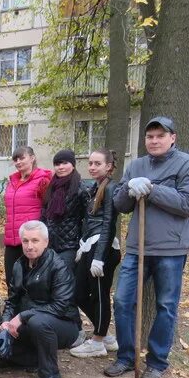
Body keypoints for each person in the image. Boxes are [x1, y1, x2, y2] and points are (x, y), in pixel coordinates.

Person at [105, 116, 189, 378]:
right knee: (123, 301)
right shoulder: (136, 165)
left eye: (161, 136)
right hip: (138, 248)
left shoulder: (187, 164)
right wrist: (129, 190)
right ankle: (126, 357)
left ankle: (157, 362)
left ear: (173, 138)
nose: (155, 140)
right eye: (150, 137)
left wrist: (152, 190)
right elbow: (121, 205)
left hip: (171, 248)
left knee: (165, 306)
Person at [0, 220, 77, 378]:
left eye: (35, 240)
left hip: (63, 325)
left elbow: (60, 306)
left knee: (38, 322)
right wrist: (5, 322)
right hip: (29, 323)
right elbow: (12, 300)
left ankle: (50, 373)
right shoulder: (19, 265)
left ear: (46, 242)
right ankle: (35, 359)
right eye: (25, 241)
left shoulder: (59, 266)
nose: (29, 246)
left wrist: (22, 316)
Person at [70, 149, 121, 358]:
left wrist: (99, 257)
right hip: (89, 246)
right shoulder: (93, 187)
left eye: (97, 163)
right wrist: (83, 246)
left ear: (108, 166)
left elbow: (109, 223)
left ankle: (98, 342)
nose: (92, 167)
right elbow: (88, 220)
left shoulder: (111, 188)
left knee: (100, 296)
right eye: (90, 163)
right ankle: (106, 335)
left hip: (104, 248)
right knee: (79, 294)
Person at [2, 146, 52, 286]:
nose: (18, 162)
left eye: (22, 158)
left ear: (32, 158)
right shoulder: (12, 182)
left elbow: (48, 209)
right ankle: (13, 308)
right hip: (12, 239)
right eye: (15, 159)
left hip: (31, 239)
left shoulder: (42, 180)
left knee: (30, 281)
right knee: (11, 281)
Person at [41, 149, 86, 270]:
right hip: (50, 245)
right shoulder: (51, 187)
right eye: (57, 164)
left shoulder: (81, 188)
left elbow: (86, 218)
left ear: (73, 165)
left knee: (65, 282)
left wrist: (81, 242)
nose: (60, 167)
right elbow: (44, 215)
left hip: (70, 246)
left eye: (65, 163)